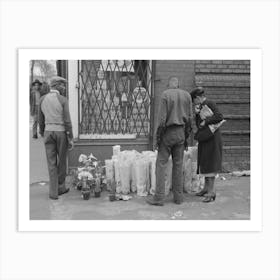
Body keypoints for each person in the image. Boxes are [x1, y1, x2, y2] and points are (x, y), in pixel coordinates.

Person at [146, 77, 192, 206]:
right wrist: (186, 136)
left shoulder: (166, 94)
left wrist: (158, 138)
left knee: (161, 165)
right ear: (178, 84)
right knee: (178, 165)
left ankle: (159, 198)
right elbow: (190, 119)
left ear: (168, 85)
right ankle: (178, 198)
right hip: (181, 133)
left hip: (168, 133)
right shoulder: (187, 95)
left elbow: (162, 119)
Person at [38, 76, 74, 200]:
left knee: (51, 163)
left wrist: (43, 133)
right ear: (57, 86)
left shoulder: (42, 99)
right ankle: (61, 187)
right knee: (62, 161)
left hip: (48, 132)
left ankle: (53, 192)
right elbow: (67, 121)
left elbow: (40, 120)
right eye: (62, 85)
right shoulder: (63, 100)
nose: (64, 88)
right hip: (61, 133)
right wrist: (70, 137)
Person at [190, 87, 223, 203]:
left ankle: (211, 192)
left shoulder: (210, 103)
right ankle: (205, 188)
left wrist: (206, 121)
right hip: (205, 138)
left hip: (212, 138)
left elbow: (219, 116)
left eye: (194, 100)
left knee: (211, 163)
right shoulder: (200, 106)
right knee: (204, 162)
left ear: (198, 98)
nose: (194, 103)